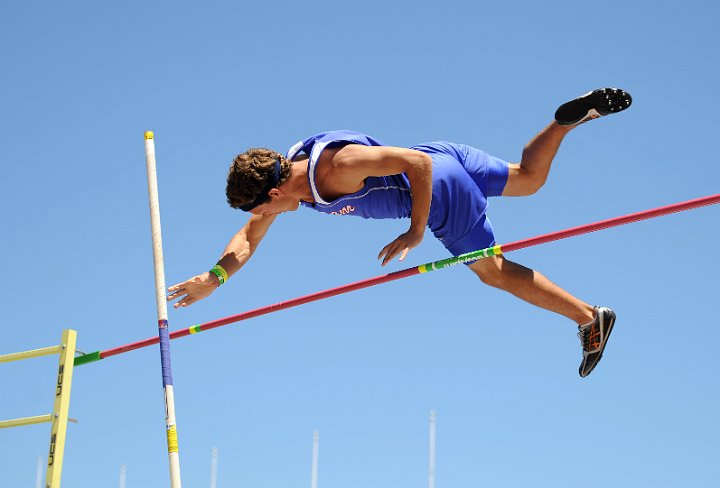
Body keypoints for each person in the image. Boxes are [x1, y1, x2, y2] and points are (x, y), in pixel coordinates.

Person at [168, 88, 632, 377]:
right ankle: (565, 122)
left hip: (433, 182)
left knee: (492, 272)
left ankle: (590, 318)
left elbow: (417, 166)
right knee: (528, 178)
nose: (269, 216)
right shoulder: (292, 168)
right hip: (443, 155)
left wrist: (415, 231)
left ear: (270, 195)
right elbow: (247, 238)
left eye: (263, 209)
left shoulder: (335, 169)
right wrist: (214, 279)